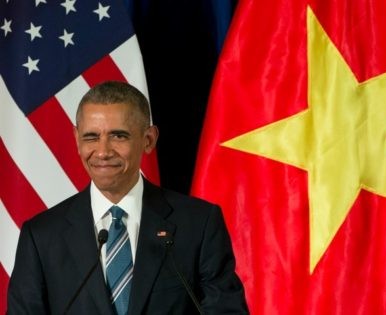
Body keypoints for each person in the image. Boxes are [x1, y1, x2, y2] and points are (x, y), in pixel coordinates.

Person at [7, 81, 249, 314]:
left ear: (148, 140)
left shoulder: (199, 223)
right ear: (76, 139)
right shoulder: (41, 236)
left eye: (118, 136)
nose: (102, 151)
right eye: (91, 137)